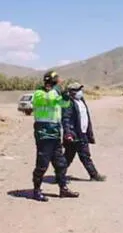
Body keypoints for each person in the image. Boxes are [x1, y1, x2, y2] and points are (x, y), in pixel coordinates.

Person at [31, 71, 80, 202]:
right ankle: (36, 191)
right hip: (44, 132)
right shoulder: (39, 93)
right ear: (51, 81)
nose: (59, 82)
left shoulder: (55, 93)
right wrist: (58, 94)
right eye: (57, 80)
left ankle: (63, 188)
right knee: (42, 163)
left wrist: (65, 97)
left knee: (61, 163)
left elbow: (64, 104)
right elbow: (48, 100)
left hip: (55, 132)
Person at [61, 82, 106, 182]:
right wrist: (68, 133)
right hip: (74, 135)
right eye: (78, 90)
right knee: (75, 156)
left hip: (83, 133)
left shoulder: (81, 101)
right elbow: (66, 119)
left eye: (80, 89)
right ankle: (94, 175)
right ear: (72, 92)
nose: (80, 92)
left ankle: (59, 175)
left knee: (76, 156)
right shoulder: (68, 102)